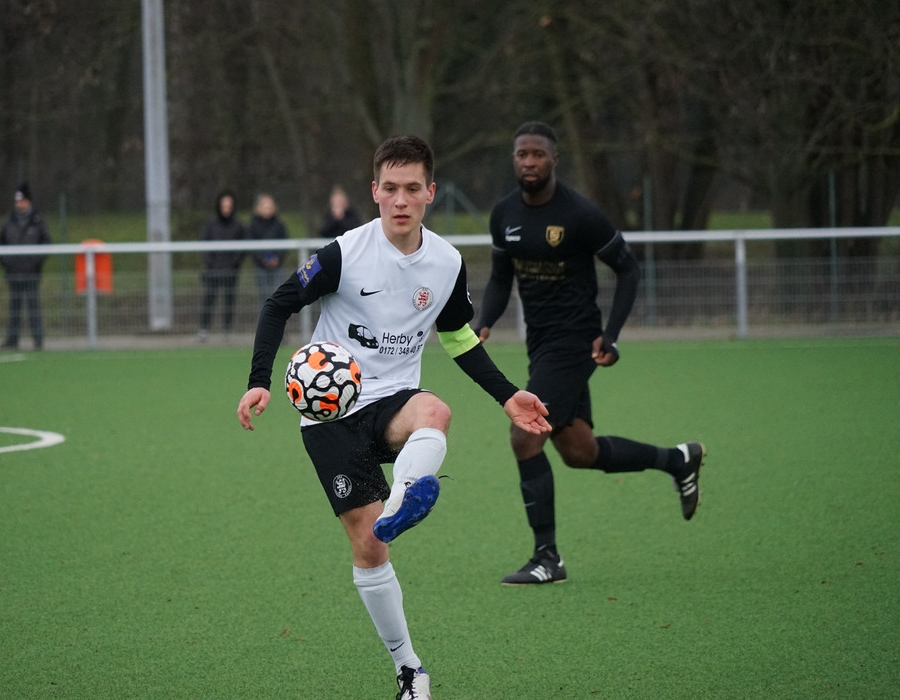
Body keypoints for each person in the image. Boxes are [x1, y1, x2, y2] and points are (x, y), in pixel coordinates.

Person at [237, 136, 551, 700]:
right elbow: (278, 303)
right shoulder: (344, 253)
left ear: (430, 192)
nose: (401, 200)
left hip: (392, 398)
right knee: (370, 548)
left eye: (412, 188)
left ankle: (406, 497)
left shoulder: (447, 262)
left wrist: (507, 396)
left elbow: (456, 336)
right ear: (375, 192)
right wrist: (259, 380)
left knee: (436, 410)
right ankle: (410, 670)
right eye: (390, 188)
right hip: (330, 413)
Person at [477, 121, 706, 586]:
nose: (529, 162)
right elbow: (501, 277)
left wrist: (611, 335)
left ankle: (547, 558)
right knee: (580, 451)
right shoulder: (504, 214)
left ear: (554, 160)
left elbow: (628, 269)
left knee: (524, 434)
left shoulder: (580, 214)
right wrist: (484, 321)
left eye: (538, 154)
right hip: (541, 343)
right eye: (522, 154)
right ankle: (678, 459)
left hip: (576, 341)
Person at [0, 183, 50, 350]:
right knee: (14, 308)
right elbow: (1, 243)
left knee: (33, 306)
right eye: (17, 201)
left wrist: (36, 261)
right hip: (13, 271)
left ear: (29, 202)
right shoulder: (9, 220)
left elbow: (46, 242)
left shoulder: (37, 220)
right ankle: (12, 339)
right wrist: (6, 262)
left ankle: (38, 339)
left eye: (23, 201)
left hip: (32, 272)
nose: (20, 205)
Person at [198, 190, 246, 342]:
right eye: (224, 205)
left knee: (229, 300)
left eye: (229, 206)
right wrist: (210, 262)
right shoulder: (211, 225)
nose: (226, 209)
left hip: (231, 270)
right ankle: (204, 329)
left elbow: (242, 247)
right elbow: (204, 245)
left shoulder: (238, 226)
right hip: (213, 270)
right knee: (209, 299)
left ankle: (226, 329)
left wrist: (234, 263)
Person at [246, 193, 288, 306]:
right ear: (258, 208)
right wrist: (263, 259)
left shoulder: (279, 225)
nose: (267, 209)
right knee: (263, 296)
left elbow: (285, 244)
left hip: (277, 266)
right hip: (260, 267)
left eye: (269, 206)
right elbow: (252, 246)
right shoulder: (253, 225)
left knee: (279, 294)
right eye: (264, 206)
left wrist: (277, 258)